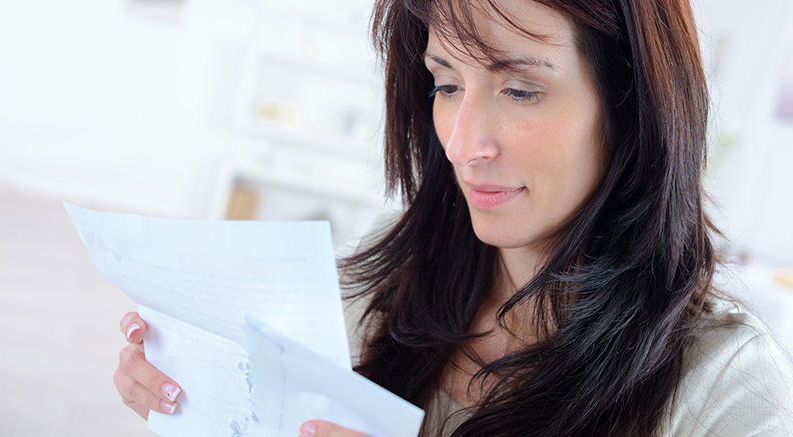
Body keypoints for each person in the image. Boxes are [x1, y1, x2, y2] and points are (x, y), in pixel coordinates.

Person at [114, 0, 793, 435]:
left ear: (632, 106)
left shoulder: (723, 383)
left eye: (521, 89)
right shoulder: (387, 271)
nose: (465, 143)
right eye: (445, 84)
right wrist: (205, 394)